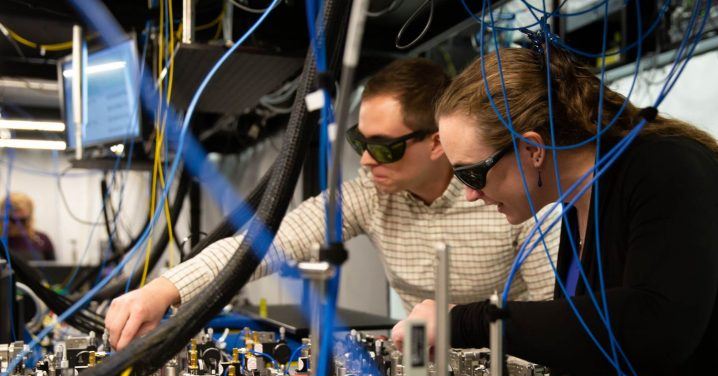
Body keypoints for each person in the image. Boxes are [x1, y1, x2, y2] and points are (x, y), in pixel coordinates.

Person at [105, 58, 560, 350]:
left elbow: (553, 312)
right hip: (424, 368)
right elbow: (268, 242)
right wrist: (162, 290)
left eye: (383, 146)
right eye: (359, 140)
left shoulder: (509, 195)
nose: (364, 159)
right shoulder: (371, 193)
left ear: (437, 143)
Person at [392, 44, 718, 376]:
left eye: (471, 173)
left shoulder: (668, 167)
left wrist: (469, 321)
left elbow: (656, 326)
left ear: (532, 148)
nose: (469, 194)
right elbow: (588, 339)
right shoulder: (575, 204)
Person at [0, 192, 56, 261]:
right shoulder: (2, 240)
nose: (17, 225)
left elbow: (53, 268)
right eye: (13, 220)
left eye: (22, 220)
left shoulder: (42, 239)